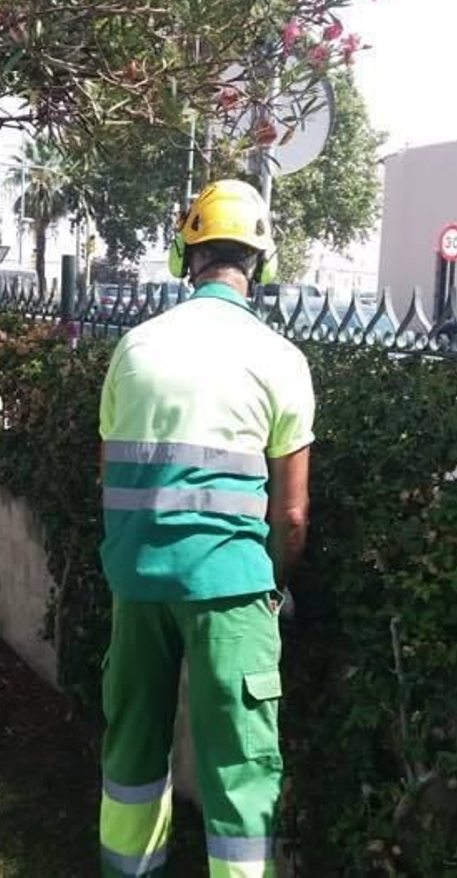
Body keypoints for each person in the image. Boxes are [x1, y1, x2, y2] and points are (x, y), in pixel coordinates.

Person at [97, 179, 314, 877]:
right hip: (232, 587)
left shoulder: (133, 347)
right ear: (263, 263)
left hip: (138, 584)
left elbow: (108, 473)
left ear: (180, 256)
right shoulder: (281, 360)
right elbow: (292, 513)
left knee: (132, 749)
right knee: (239, 769)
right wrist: (273, 585)